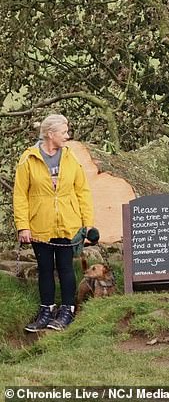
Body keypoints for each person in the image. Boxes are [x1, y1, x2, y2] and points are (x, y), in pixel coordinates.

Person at [13, 114, 94, 332]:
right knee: (45, 268)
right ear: (51, 134)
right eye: (64, 132)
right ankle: (46, 311)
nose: (67, 136)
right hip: (40, 226)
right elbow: (20, 195)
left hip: (68, 224)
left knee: (66, 268)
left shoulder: (71, 158)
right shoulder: (28, 159)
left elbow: (82, 192)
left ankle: (67, 310)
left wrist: (87, 225)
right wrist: (23, 226)